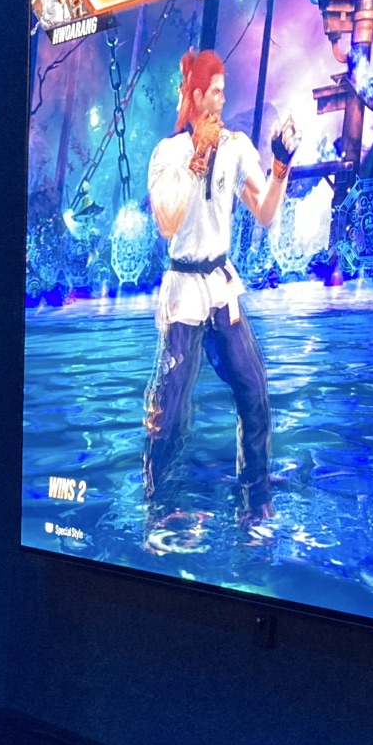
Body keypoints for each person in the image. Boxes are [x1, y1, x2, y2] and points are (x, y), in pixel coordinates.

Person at [143, 49, 298, 524]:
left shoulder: (235, 146)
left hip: (220, 286)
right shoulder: (168, 153)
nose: (222, 100)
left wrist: (280, 164)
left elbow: (265, 212)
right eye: (214, 92)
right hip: (183, 291)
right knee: (170, 410)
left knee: (254, 389)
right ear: (195, 98)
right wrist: (197, 157)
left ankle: (256, 499)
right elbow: (167, 223)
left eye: (223, 91)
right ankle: (159, 506)